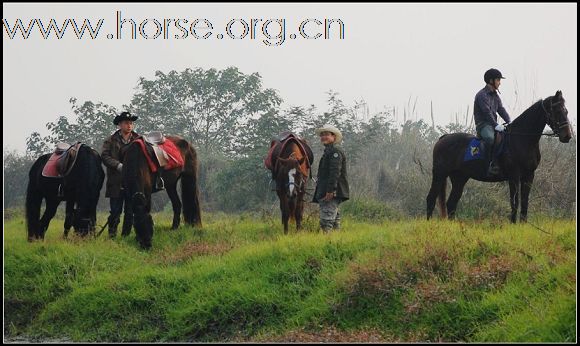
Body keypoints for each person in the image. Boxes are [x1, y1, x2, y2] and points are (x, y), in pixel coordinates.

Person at [101, 111, 139, 238]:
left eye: (130, 123)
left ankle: (125, 237)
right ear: (119, 125)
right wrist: (118, 165)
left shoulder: (138, 140)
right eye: (126, 123)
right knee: (115, 212)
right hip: (116, 181)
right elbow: (105, 156)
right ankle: (112, 237)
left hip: (132, 182)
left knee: (130, 211)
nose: (129, 125)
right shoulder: (110, 140)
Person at [474, 68, 511, 176]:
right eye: (498, 80)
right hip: (483, 125)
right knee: (490, 138)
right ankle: (489, 164)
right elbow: (487, 112)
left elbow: (501, 109)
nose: (500, 83)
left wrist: (509, 122)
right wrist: (495, 125)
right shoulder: (481, 95)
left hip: (493, 124)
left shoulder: (495, 95)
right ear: (491, 81)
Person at [312, 124, 350, 233]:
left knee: (326, 221)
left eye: (326, 134)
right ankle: (336, 242)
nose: (323, 137)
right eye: (322, 135)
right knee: (334, 220)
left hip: (331, 192)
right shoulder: (328, 152)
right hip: (327, 190)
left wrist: (330, 190)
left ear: (333, 137)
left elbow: (335, 172)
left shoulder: (335, 152)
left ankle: (327, 244)